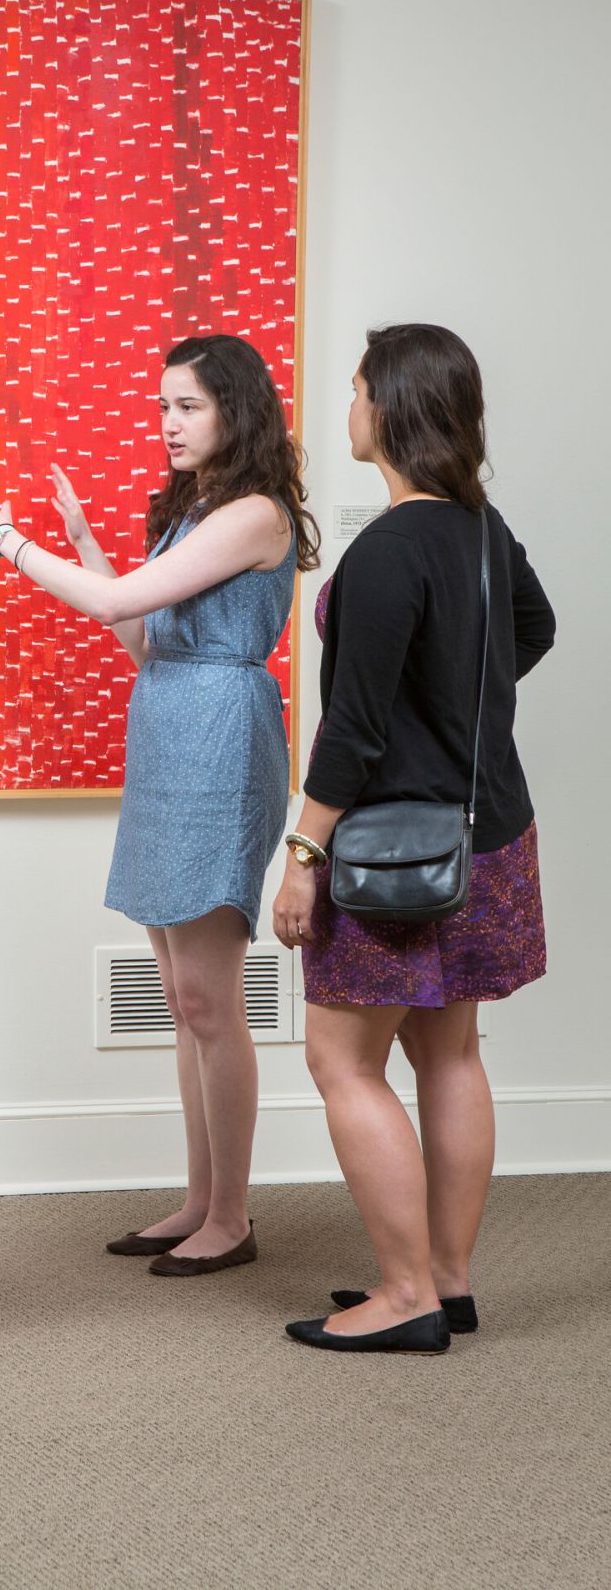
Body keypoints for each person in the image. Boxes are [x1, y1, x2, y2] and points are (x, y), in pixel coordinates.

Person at [0, 336, 318, 1273]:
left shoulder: (257, 512)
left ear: (236, 408)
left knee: (209, 1000)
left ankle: (232, 1217)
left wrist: (7, 540)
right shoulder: (198, 512)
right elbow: (143, 635)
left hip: (222, 739)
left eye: (186, 406)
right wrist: (85, 543)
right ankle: (199, 1200)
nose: (169, 425)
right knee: (183, 1001)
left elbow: (115, 603)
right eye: (161, 408)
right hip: (169, 727)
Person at [273, 323, 554, 1355]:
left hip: (395, 853)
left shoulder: (389, 548)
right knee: (452, 1050)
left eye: (354, 392)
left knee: (341, 1060)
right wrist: (460, 707)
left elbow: (351, 729)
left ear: (386, 408)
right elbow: (536, 627)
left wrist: (303, 855)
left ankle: (402, 1295)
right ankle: (448, 1276)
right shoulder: (483, 529)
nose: (346, 409)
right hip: (489, 834)